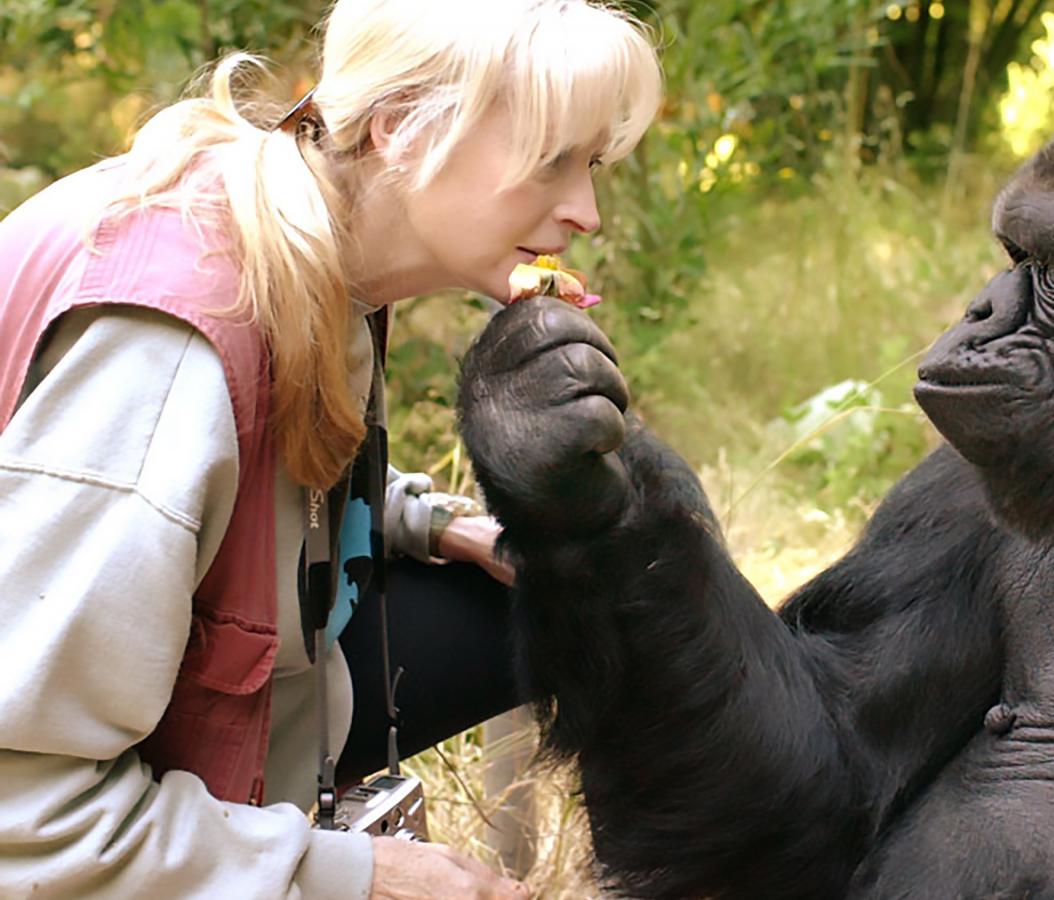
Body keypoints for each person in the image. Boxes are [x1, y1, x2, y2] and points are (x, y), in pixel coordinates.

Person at [0, 0, 660, 896]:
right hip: (44, 803)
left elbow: (237, 487)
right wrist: (352, 875)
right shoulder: (168, 353)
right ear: (399, 128)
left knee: (554, 597)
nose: (585, 211)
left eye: (589, 164)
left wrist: (421, 522)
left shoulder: (308, 237)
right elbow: (22, 814)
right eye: (552, 161)